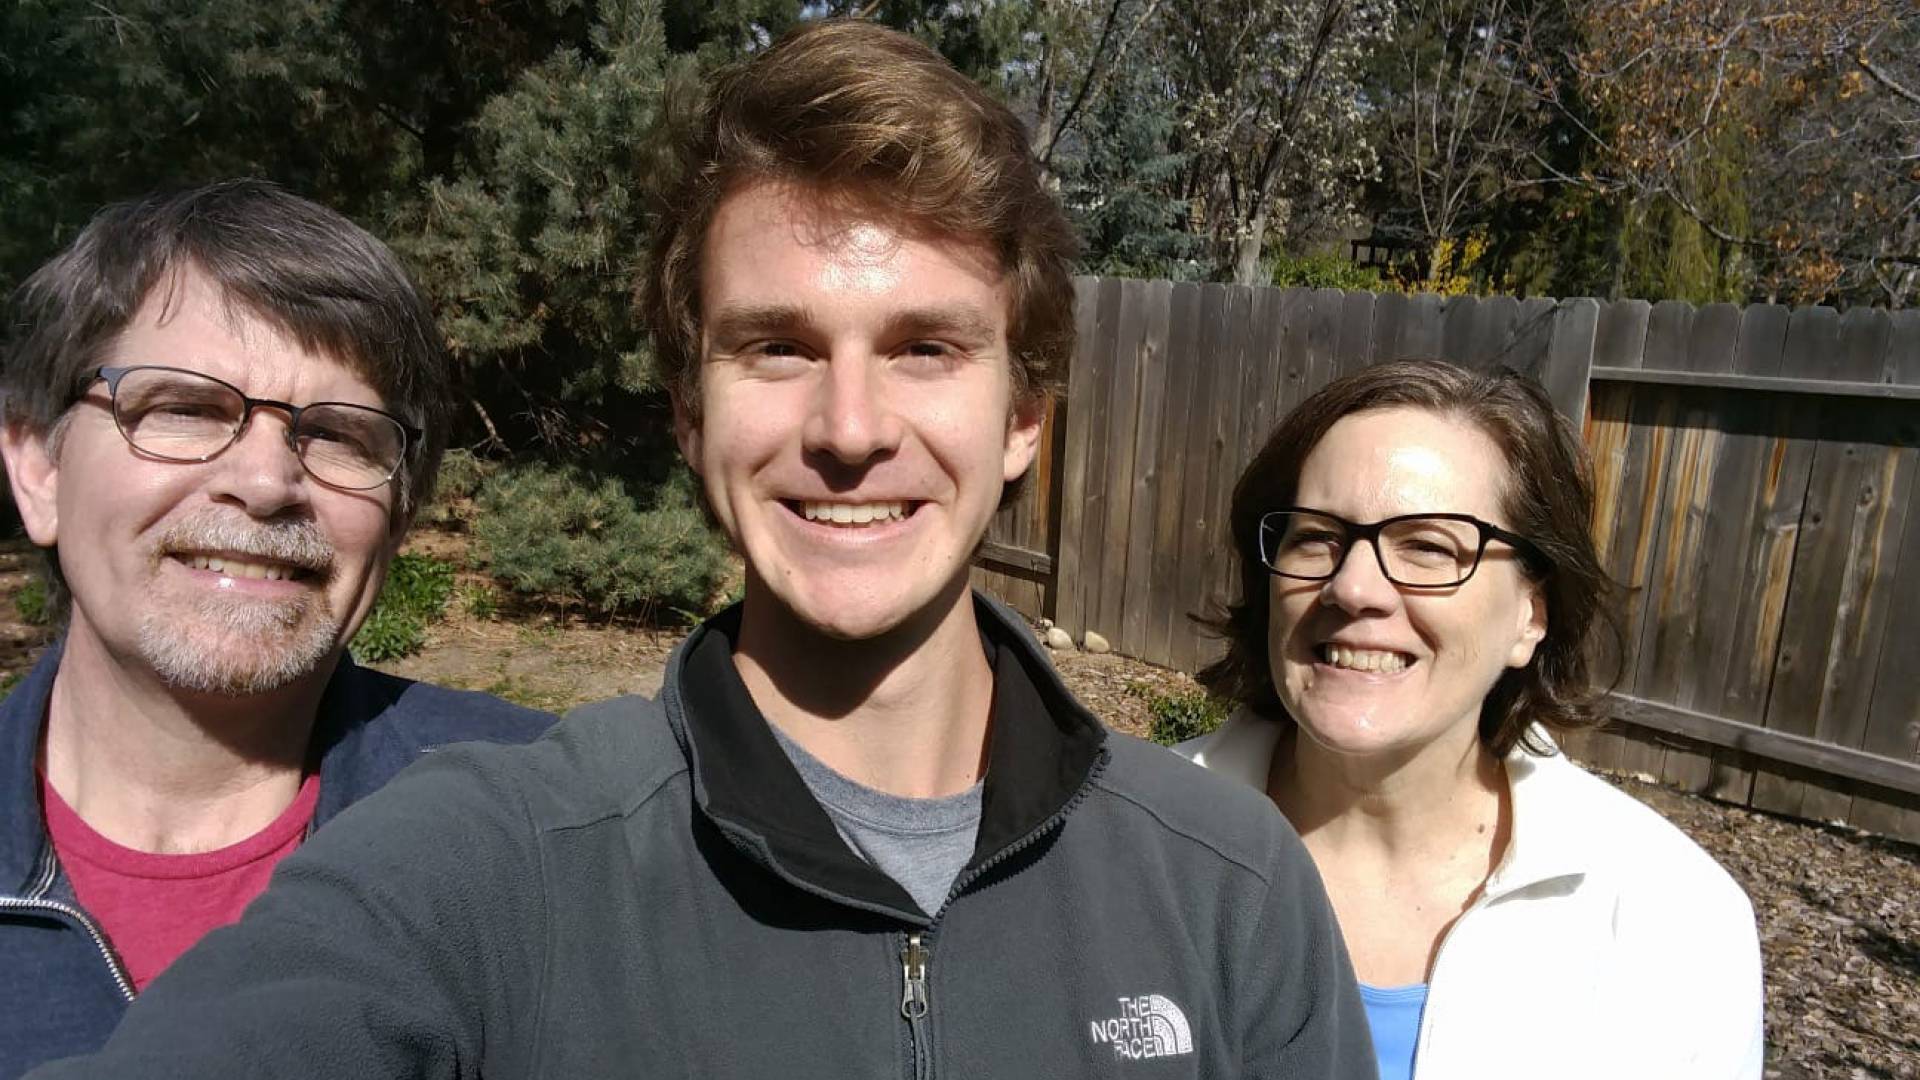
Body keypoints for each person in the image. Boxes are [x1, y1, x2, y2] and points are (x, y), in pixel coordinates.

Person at [24, 21, 1375, 1080]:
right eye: (776, 347)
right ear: (689, 412)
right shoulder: (494, 860)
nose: (852, 429)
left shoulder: (1226, 885)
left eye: (925, 348)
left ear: (1024, 417)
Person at [0, 181, 555, 1080]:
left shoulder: (548, 829)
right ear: (38, 468)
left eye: (338, 435)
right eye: (184, 409)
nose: (265, 484)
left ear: (400, 512)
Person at [1176, 358, 1764, 1079]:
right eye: (1316, 537)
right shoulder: (1119, 845)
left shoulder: (1672, 921)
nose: (1353, 587)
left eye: (1428, 547)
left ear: (1531, 615)